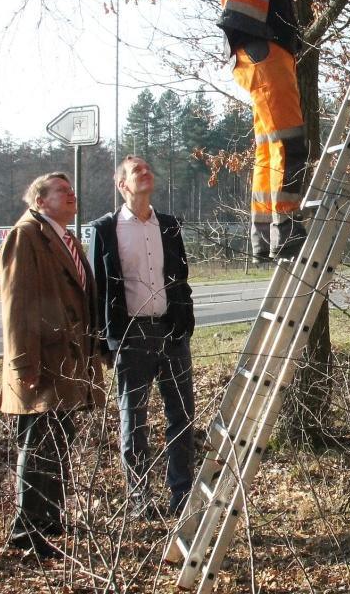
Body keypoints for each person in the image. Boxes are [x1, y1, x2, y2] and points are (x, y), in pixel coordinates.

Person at [212, 0, 350, 259]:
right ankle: (286, 227)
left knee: (269, 146)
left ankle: (263, 233)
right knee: (290, 141)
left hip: (266, 51)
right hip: (261, 48)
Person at [0, 173, 105, 558]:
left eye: (72, 189)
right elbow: (16, 303)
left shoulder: (65, 237)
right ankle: (26, 531)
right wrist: (23, 363)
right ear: (40, 201)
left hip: (68, 361)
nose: (72, 194)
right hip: (42, 362)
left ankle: (50, 520)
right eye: (62, 190)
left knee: (59, 440)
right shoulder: (26, 236)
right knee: (39, 443)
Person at [89, 156, 196, 518]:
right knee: (133, 420)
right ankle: (140, 501)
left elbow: (181, 278)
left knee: (182, 416)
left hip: (172, 332)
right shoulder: (106, 229)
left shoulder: (169, 225)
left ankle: (182, 495)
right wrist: (104, 343)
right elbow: (99, 290)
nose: (147, 172)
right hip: (131, 336)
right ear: (122, 185)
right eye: (137, 170)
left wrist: (184, 322)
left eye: (148, 168)